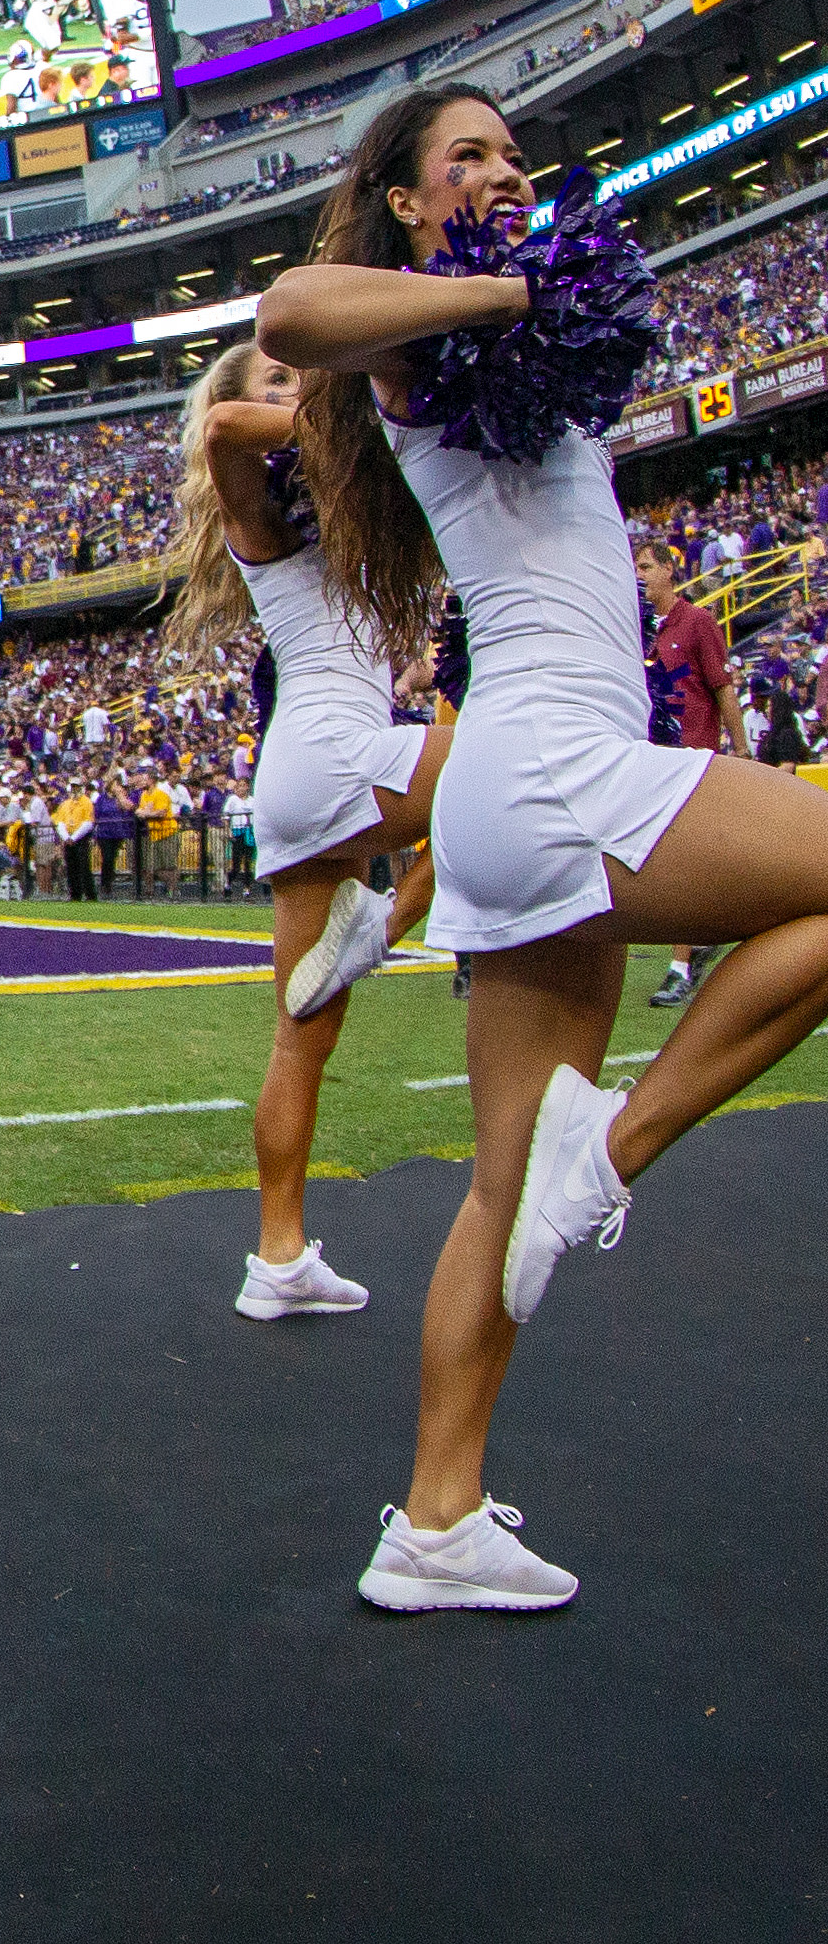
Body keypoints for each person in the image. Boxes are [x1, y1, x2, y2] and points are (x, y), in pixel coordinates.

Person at [264, 83, 828, 1610]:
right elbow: (288, 307)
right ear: (398, 196)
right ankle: (623, 1138)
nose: (503, 171)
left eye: (514, 154)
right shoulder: (417, 322)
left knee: (495, 1192)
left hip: (520, 787)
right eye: (466, 156)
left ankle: (431, 1520)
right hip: (557, 764)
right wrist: (514, 276)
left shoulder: (497, 337)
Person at [166, 340, 449, 1323]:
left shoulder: (337, 517)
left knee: (300, 1039)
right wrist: (362, 419)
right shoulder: (260, 506)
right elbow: (220, 426)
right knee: (523, 768)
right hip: (328, 757)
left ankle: (275, 1257)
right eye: (278, 381)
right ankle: (383, 925)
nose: (296, 394)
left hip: (316, 763)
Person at [637, 541, 738, 1009]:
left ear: (670, 572)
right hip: (653, 762)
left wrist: (742, 748)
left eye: (646, 566)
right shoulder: (637, 630)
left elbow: (722, 689)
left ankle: (681, 965)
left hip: (694, 760)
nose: (638, 574)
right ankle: (702, 940)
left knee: (680, 863)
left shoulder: (696, 622)